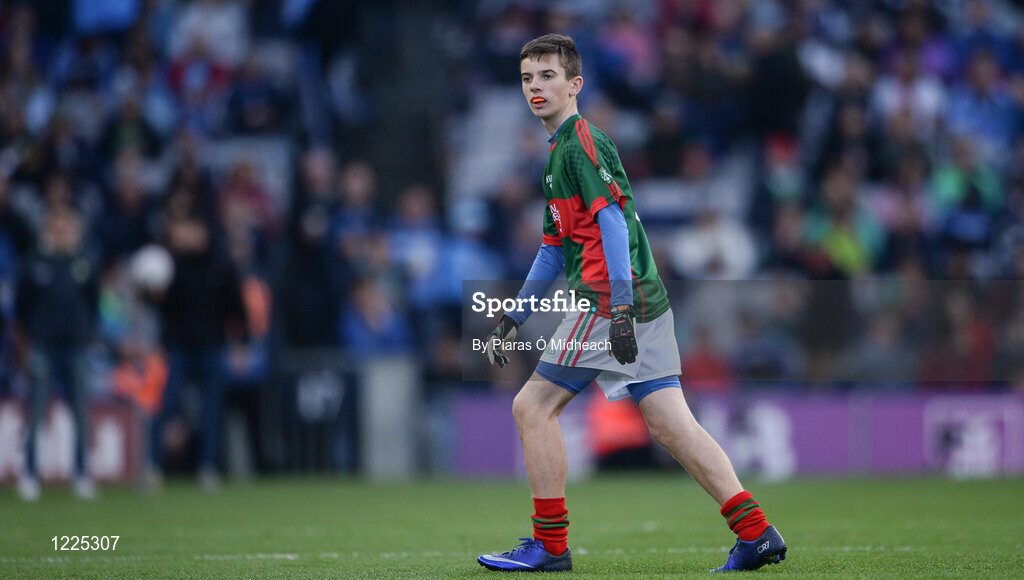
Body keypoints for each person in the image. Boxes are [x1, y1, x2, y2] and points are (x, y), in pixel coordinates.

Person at [476, 34, 787, 573]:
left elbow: (612, 223)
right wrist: (516, 315)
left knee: (532, 407)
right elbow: (553, 249)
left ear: (575, 85)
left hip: (608, 302)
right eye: (527, 78)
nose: (535, 87)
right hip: (644, 299)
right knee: (671, 424)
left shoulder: (579, 144)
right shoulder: (559, 155)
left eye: (547, 76)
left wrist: (617, 310)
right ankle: (757, 532)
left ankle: (550, 546)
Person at [14, 203, 98, 501]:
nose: (63, 234)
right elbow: (20, 311)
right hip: (43, 346)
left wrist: (88, 337)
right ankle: (28, 472)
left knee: (80, 413)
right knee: (35, 413)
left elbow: (93, 305)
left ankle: (82, 473)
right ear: (48, 231)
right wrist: (24, 347)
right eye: (57, 228)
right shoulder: (35, 263)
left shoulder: (84, 264)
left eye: (67, 228)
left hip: (75, 346)